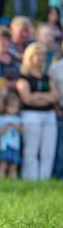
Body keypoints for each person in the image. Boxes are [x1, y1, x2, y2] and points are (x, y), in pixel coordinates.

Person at [16, 43, 59, 180]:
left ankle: (44, 179)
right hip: (31, 115)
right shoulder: (23, 77)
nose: (40, 58)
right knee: (31, 150)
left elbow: (55, 96)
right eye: (37, 55)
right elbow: (27, 99)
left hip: (49, 115)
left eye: (42, 55)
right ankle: (31, 179)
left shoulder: (47, 77)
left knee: (48, 150)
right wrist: (46, 97)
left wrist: (38, 96)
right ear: (29, 57)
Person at [0, 94, 23, 179]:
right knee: (3, 164)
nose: (13, 109)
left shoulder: (19, 119)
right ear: (5, 107)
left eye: (15, 107)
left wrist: (16, 126)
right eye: (11, 107)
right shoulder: (1, 119)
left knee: (14, 166)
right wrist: (5, 128)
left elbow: (22, 130)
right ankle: (0, 182)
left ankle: (13, 183)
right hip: (5, 145)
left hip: (15, 145)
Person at [48, 41, 63, 179]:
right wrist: (57, 107)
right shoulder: (56, 67)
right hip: (61, 111)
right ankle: (59, 176)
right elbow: (53, 89)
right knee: (60, 148)